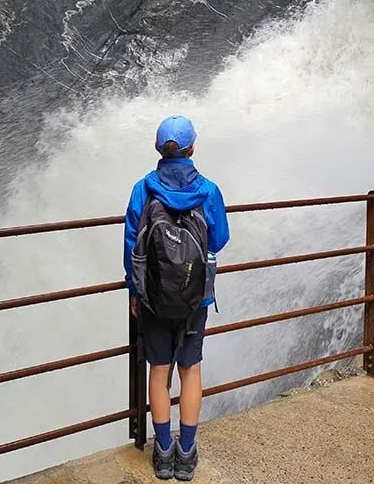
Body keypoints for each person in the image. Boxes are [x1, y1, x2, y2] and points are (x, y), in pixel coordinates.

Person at [124, 115, 230, 481]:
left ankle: (162, 452)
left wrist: (134, 290)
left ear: (158, 148)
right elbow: (218, 239)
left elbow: (130, 246)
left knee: (159, 371)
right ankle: (186, 455)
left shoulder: (143, 189)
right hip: (195, 298)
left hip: (152, 298)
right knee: (191, 370)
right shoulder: (209, 190)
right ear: (192, 148)